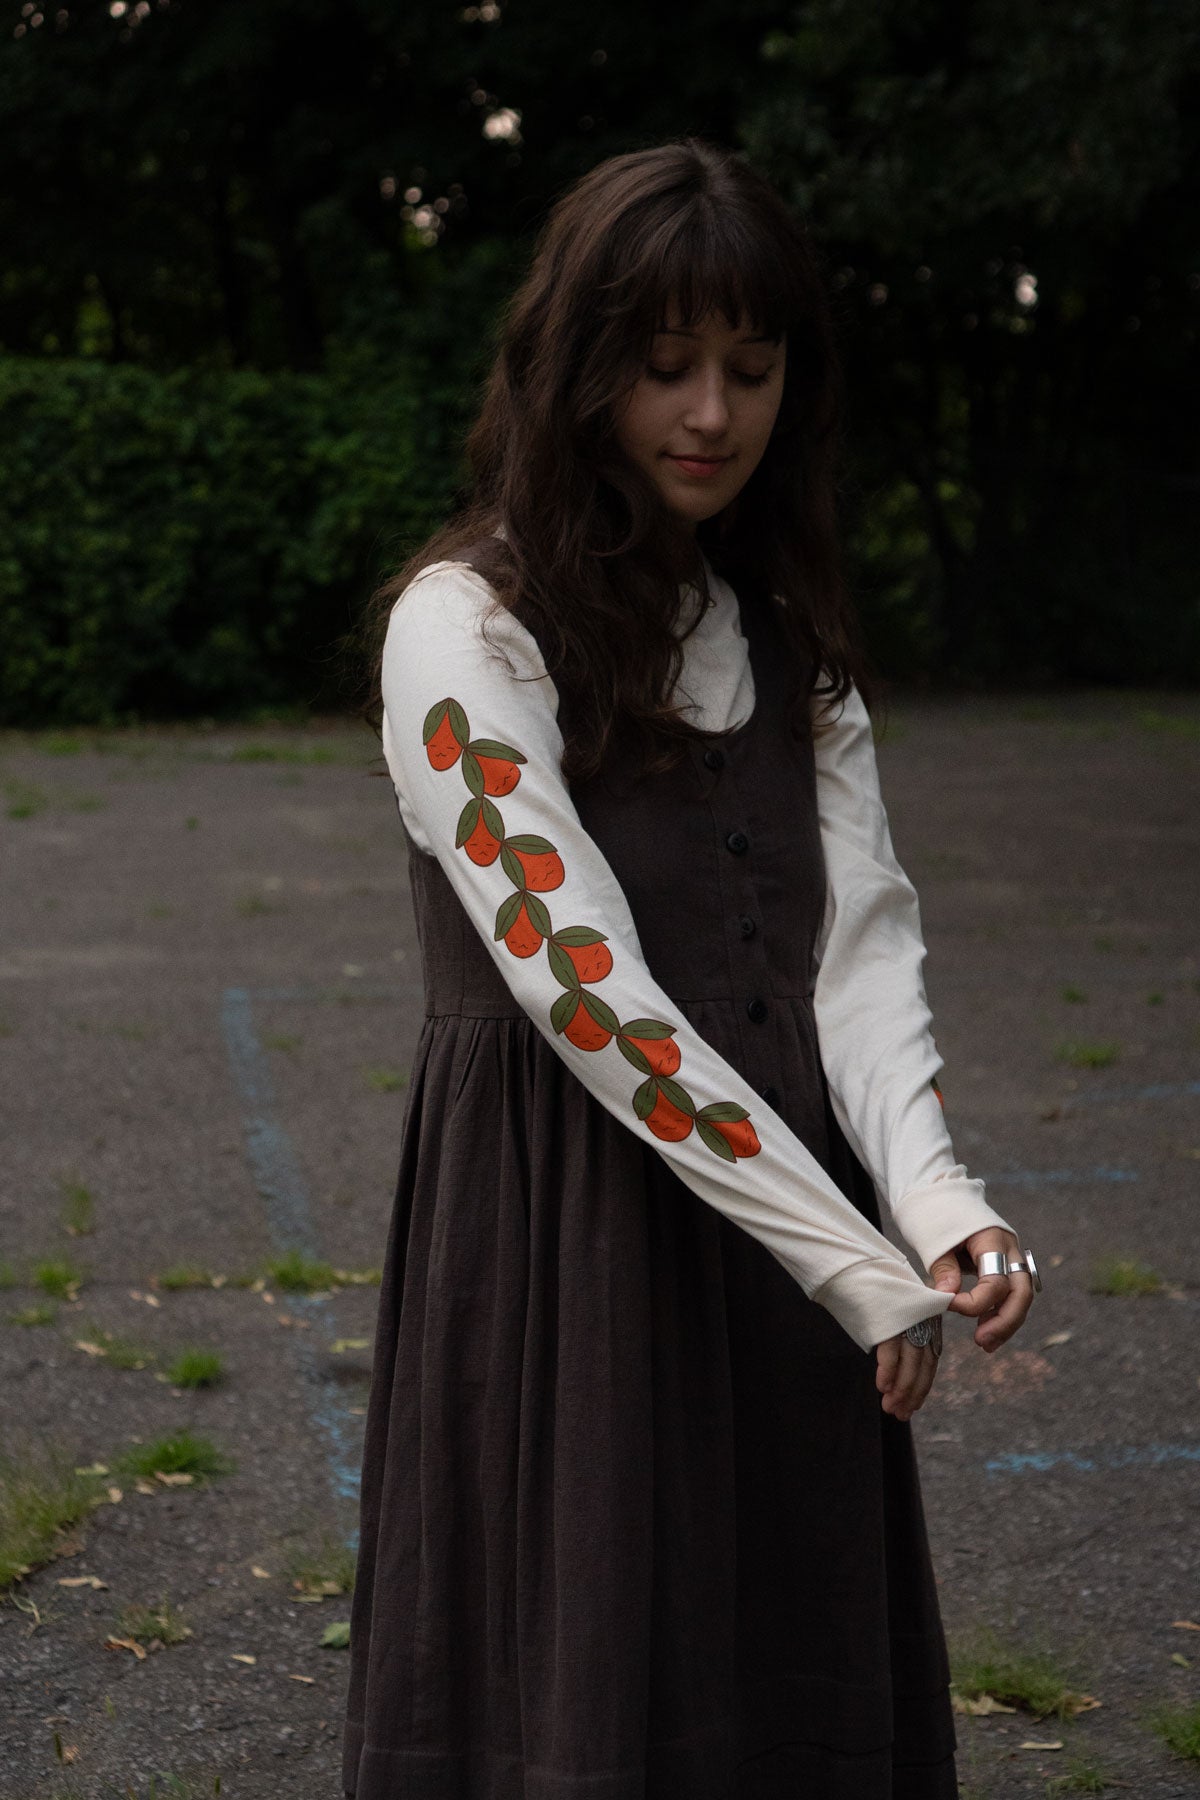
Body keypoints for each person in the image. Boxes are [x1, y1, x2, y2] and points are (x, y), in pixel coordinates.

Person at [342, 137, 1039, 1800]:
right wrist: (852, 1259)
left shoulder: (786, 639)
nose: (712, 413)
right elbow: (585, 986)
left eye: (751, 364)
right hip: (565, 1227)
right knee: (587, 1689)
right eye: (664, 367)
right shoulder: (462, 628)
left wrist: (936, 1203)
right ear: (578, 369)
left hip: (791, 1236)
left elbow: (856, 952)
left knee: (779, 1685)